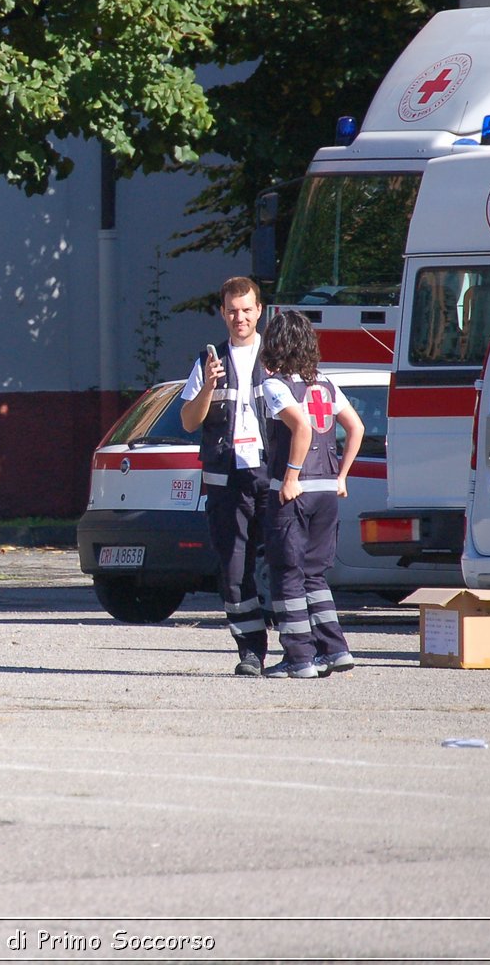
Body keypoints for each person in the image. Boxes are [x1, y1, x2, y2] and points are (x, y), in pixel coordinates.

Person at [258, 309, 364, 679]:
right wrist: (343, 475)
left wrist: (290, 476)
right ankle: (335, 650)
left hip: (295, 490)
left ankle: (299, 656)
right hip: (327, 490)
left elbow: (301, 428)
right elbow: (356, 428)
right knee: (316, 575)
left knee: (286, 572)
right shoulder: (326, 384)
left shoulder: (276, 386)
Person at [179, 276, 271, 676]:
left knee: (288, 564)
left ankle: (300, 649)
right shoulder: (208, 361)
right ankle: (251, 650)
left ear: (259, 311)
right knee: (234, 571)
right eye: (233, 310)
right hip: (225, 480)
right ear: (222, 313)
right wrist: (208, 388)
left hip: (272, 476)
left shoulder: (277, 356)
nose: (240, 317)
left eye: (247, 309)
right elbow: (187, 421)